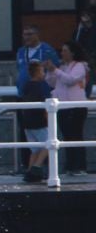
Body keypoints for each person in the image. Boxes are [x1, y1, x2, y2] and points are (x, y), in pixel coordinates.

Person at [49, 41, 91, 175]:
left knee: (75, 135)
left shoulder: (80, 66)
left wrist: (55, 70)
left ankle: (80, 166)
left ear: (72, 52)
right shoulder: (62, 67)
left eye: (65, 50)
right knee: (67, 136)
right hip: (63, 106)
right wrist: (51, 72)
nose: (62, 53)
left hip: (76, 106)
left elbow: (71, 80)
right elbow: (52, 82)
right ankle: (70, 166)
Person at [17, 60, 52, 183]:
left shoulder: (26, 85)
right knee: (50, 143)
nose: (44, 73)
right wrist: (49, 121)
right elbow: (47, 104)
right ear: (38, 72)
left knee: (35, 150)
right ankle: (36, 167)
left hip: (28, 122)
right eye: (42, 71)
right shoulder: (42, 85)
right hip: (39, 121)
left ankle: (30, 172)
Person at [14, 25, 60, 91]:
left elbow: (55, 70)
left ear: (37, 35)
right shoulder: (20, 51)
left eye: (29, 34)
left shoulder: (47, 50)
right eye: (24, 35)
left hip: (42, 92)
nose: (27, 37)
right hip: (23, 91)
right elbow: (19, 69)